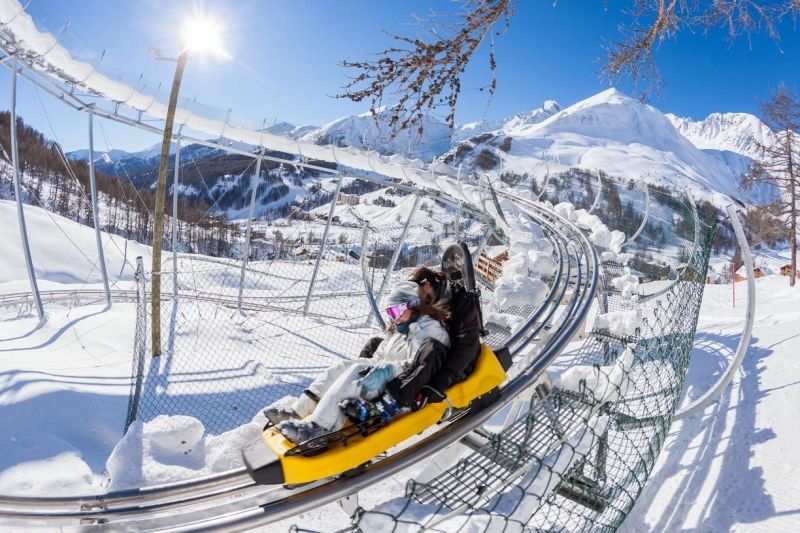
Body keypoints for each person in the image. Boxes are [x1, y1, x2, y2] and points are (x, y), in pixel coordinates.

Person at [263, 280, 450, 444]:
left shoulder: (431, 330)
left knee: (357, 371)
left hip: (397, 387)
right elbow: (378, 358)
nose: (394, 316)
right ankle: (299, 411)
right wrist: (359, 365)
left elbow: (421, 364)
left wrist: (387, 371)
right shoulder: (401, 329)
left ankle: (318, 428)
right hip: (380, 378)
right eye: (390, 312)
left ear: (413, 305)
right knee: (343, 366)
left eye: (396, 310)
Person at [362, 266, 482, 410]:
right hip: (424, 356)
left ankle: (396, 397)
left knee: (431, 349)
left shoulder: (460, 301)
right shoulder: (422, 306)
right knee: (375, 343)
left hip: (450, 364)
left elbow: (466, 345)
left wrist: (439, 383)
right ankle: (362, 376)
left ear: (427, 285)